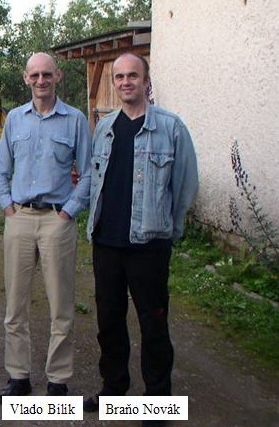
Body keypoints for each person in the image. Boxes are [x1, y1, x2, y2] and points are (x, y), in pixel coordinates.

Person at [83, 53, 198, 425]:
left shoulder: (171, 127)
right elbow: (96, 181)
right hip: (107, 242)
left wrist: (167, 229)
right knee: (109, 321)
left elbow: (185, 186)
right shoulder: (104, 128)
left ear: (146, 81)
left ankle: (157, 401)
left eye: (133, 75)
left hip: (149, 245)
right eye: (119, 77)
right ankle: (113, 388)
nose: (125, 82)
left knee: (154, 324)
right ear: (114, 83)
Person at [0, 52, 91, 400]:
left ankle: (58, 379)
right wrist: (7, 206)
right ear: (26, 78)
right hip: (20, 218)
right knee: (15, 305)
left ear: (58, 76)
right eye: (34, 75)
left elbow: (89, 173)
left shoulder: (75, 120)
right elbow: (1, 169)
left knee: (61, 306)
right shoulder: (14, 119)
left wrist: (69, 212)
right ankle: (18, 377)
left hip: (56, 220)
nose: (41, 81)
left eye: (47, 74)